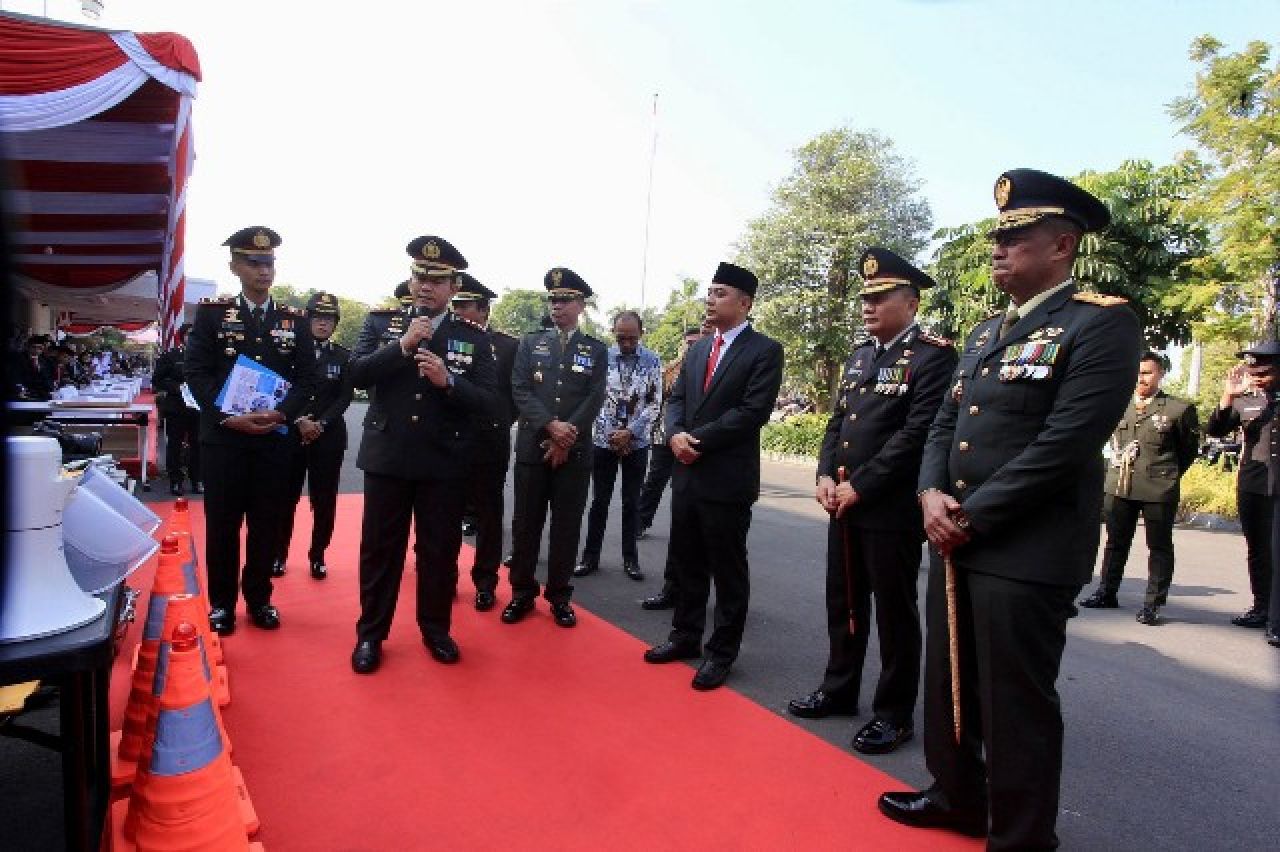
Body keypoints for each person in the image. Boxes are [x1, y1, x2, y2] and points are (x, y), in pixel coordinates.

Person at [878, 169, 1142, 849]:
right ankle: (957, 795)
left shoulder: (1101, 323)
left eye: (1014, 236)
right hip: (953, 533)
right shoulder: (988, 330)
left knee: (1014, 701)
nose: (997, 247)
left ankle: (1022, 836)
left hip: (1025, 548)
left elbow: (1066, 443)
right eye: (996, 235)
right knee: (950, 681)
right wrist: (929, 494)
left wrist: (971, 514)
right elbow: (943, 423)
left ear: (1062, 244)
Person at [789, 247, 957, 756]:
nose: (868, 306)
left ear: (910, 301)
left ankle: (893, 713)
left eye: (880, 297)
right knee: (843, 601)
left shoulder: (933, 355)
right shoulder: (861, 355)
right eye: (865, 297)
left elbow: (916, 434)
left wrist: (861, 484)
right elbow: (839, 422)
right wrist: (823, 473)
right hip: (842, 503)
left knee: (894, 612)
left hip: (888, 509)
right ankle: (839, 689)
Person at [348, 236, 496, 674]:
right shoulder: (382, 324)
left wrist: (449, 382)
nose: (426, 285)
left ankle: (436, 630)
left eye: (437, 279)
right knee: (380, 551)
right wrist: (401, 347)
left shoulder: (470, 336)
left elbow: (490, 402)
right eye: (419, 276)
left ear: (454, 286)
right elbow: (355, 374)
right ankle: (370, 634)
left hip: (442, 461)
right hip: (388, 456)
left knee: (438, 552)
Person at [642, 262, 784, 690]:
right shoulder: (699, 349)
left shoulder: (764, 350)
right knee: (686, 562)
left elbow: (752, 413)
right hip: (687, 474)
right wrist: (674, 435)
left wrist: (693, 441)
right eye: (710, 291)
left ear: (745, 302)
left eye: (721, 293)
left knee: (727, 569)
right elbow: (677, 399)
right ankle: (684, 637)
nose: (711, 299)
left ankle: (721, 652)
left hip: (725, 478)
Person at [184, 226, 317, 635]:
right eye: (254, 262)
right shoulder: (211, 314)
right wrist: (227, 416)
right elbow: (196, 372)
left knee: (266, 523)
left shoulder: (293, 320)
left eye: (269, 262)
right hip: (224, 438)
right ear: (235, 267)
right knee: (222, 525)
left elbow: (308, 379)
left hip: (273, 441)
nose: (264, 270)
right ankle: (222, 604)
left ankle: (259, 599)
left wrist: (281, 415)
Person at [502, 267, 608, 628]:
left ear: (580, 304)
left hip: (574, 453)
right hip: (534, 448)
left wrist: (567, 435)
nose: (557, 306)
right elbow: (520, 389)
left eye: (565, 300)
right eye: (553, 299)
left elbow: (595, 397)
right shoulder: (530, 343)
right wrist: (551, 426)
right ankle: (521, 593)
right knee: (526, 525)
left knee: (566, 527)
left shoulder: (595, 350)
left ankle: (560, 596)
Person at [1080, 352, 1199, 624]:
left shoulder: (1177, 409)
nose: (1140, 378)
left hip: (1158, 487)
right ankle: (1107, 592)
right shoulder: (1119, 404)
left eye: (1147, 372)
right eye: (1137, 372)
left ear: (1159, 375)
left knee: (1158, 546)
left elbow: (1187, 452)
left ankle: (1152, 604)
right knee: (1115, 542)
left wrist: (1166, 474)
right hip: (1120, 485)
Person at [575, 311, 663, 581]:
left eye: (632, 338)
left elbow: (654, 402)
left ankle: (630, 559)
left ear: (641, 333)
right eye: (621, 337)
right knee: (599, 501)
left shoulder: (652, 360)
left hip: (636, 444)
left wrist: (630, 432)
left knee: (631, 503)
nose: (626, 343)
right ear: (613, 333)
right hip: (604, 441)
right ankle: (590, 557)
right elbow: (593, 399)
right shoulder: (603, 358)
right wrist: (612, 434)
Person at [451, 273, 519, 612]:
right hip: (447, 439)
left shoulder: (507, 346)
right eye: (457, 305)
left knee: (489, 517)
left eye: (466, 306)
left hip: (489, 440)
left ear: (484, 310)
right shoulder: (442, 338)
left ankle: (485, 582)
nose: (460, 312)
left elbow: (517, 396)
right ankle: (444, 576)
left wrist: (500, 422)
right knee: (444, 510)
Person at [276, 292, 353, 580]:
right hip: (291, 433)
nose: (323, 324)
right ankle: (278, 555)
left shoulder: (344, 356)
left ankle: (318, 555)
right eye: (318, 318)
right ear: (307, 319)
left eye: (329, 319)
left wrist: (320, 423)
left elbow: (344, 397)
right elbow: (281, 389)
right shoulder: (288, 352)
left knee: (324, 501)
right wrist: (298, 420)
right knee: (285, 499)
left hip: (328, 436)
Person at [638, 324, 709, 611]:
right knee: (677, 517)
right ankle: (672, 589)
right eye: (688, 342)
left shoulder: (717, 362)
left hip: (705, 447)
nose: (692, 346)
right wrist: (674, 433)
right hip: (670, 438)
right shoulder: (673, 369)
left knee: (708, 529)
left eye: (697, 341)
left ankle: (701, 595)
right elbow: (666, 400)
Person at [1205, 351, 1276, 629]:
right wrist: (1227, 396)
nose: (1258, 379)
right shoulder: (1245, 400)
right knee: (1258, 548)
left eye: (1264, 373)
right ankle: (1261, 607)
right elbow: (1216, 430)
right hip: (1253, 483)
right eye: (1254, 374)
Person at [152, 322, 202, 496]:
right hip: (177, 407)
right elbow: (158, 379)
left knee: (198, 445)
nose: (191, 337)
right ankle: (175, 481)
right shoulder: (171, 355)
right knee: (175, 445)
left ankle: (197, 480)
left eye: (195, 334)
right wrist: (178, 387)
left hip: (198, 408)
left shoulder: (205, 356)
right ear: (182, 336)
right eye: (189, 334)